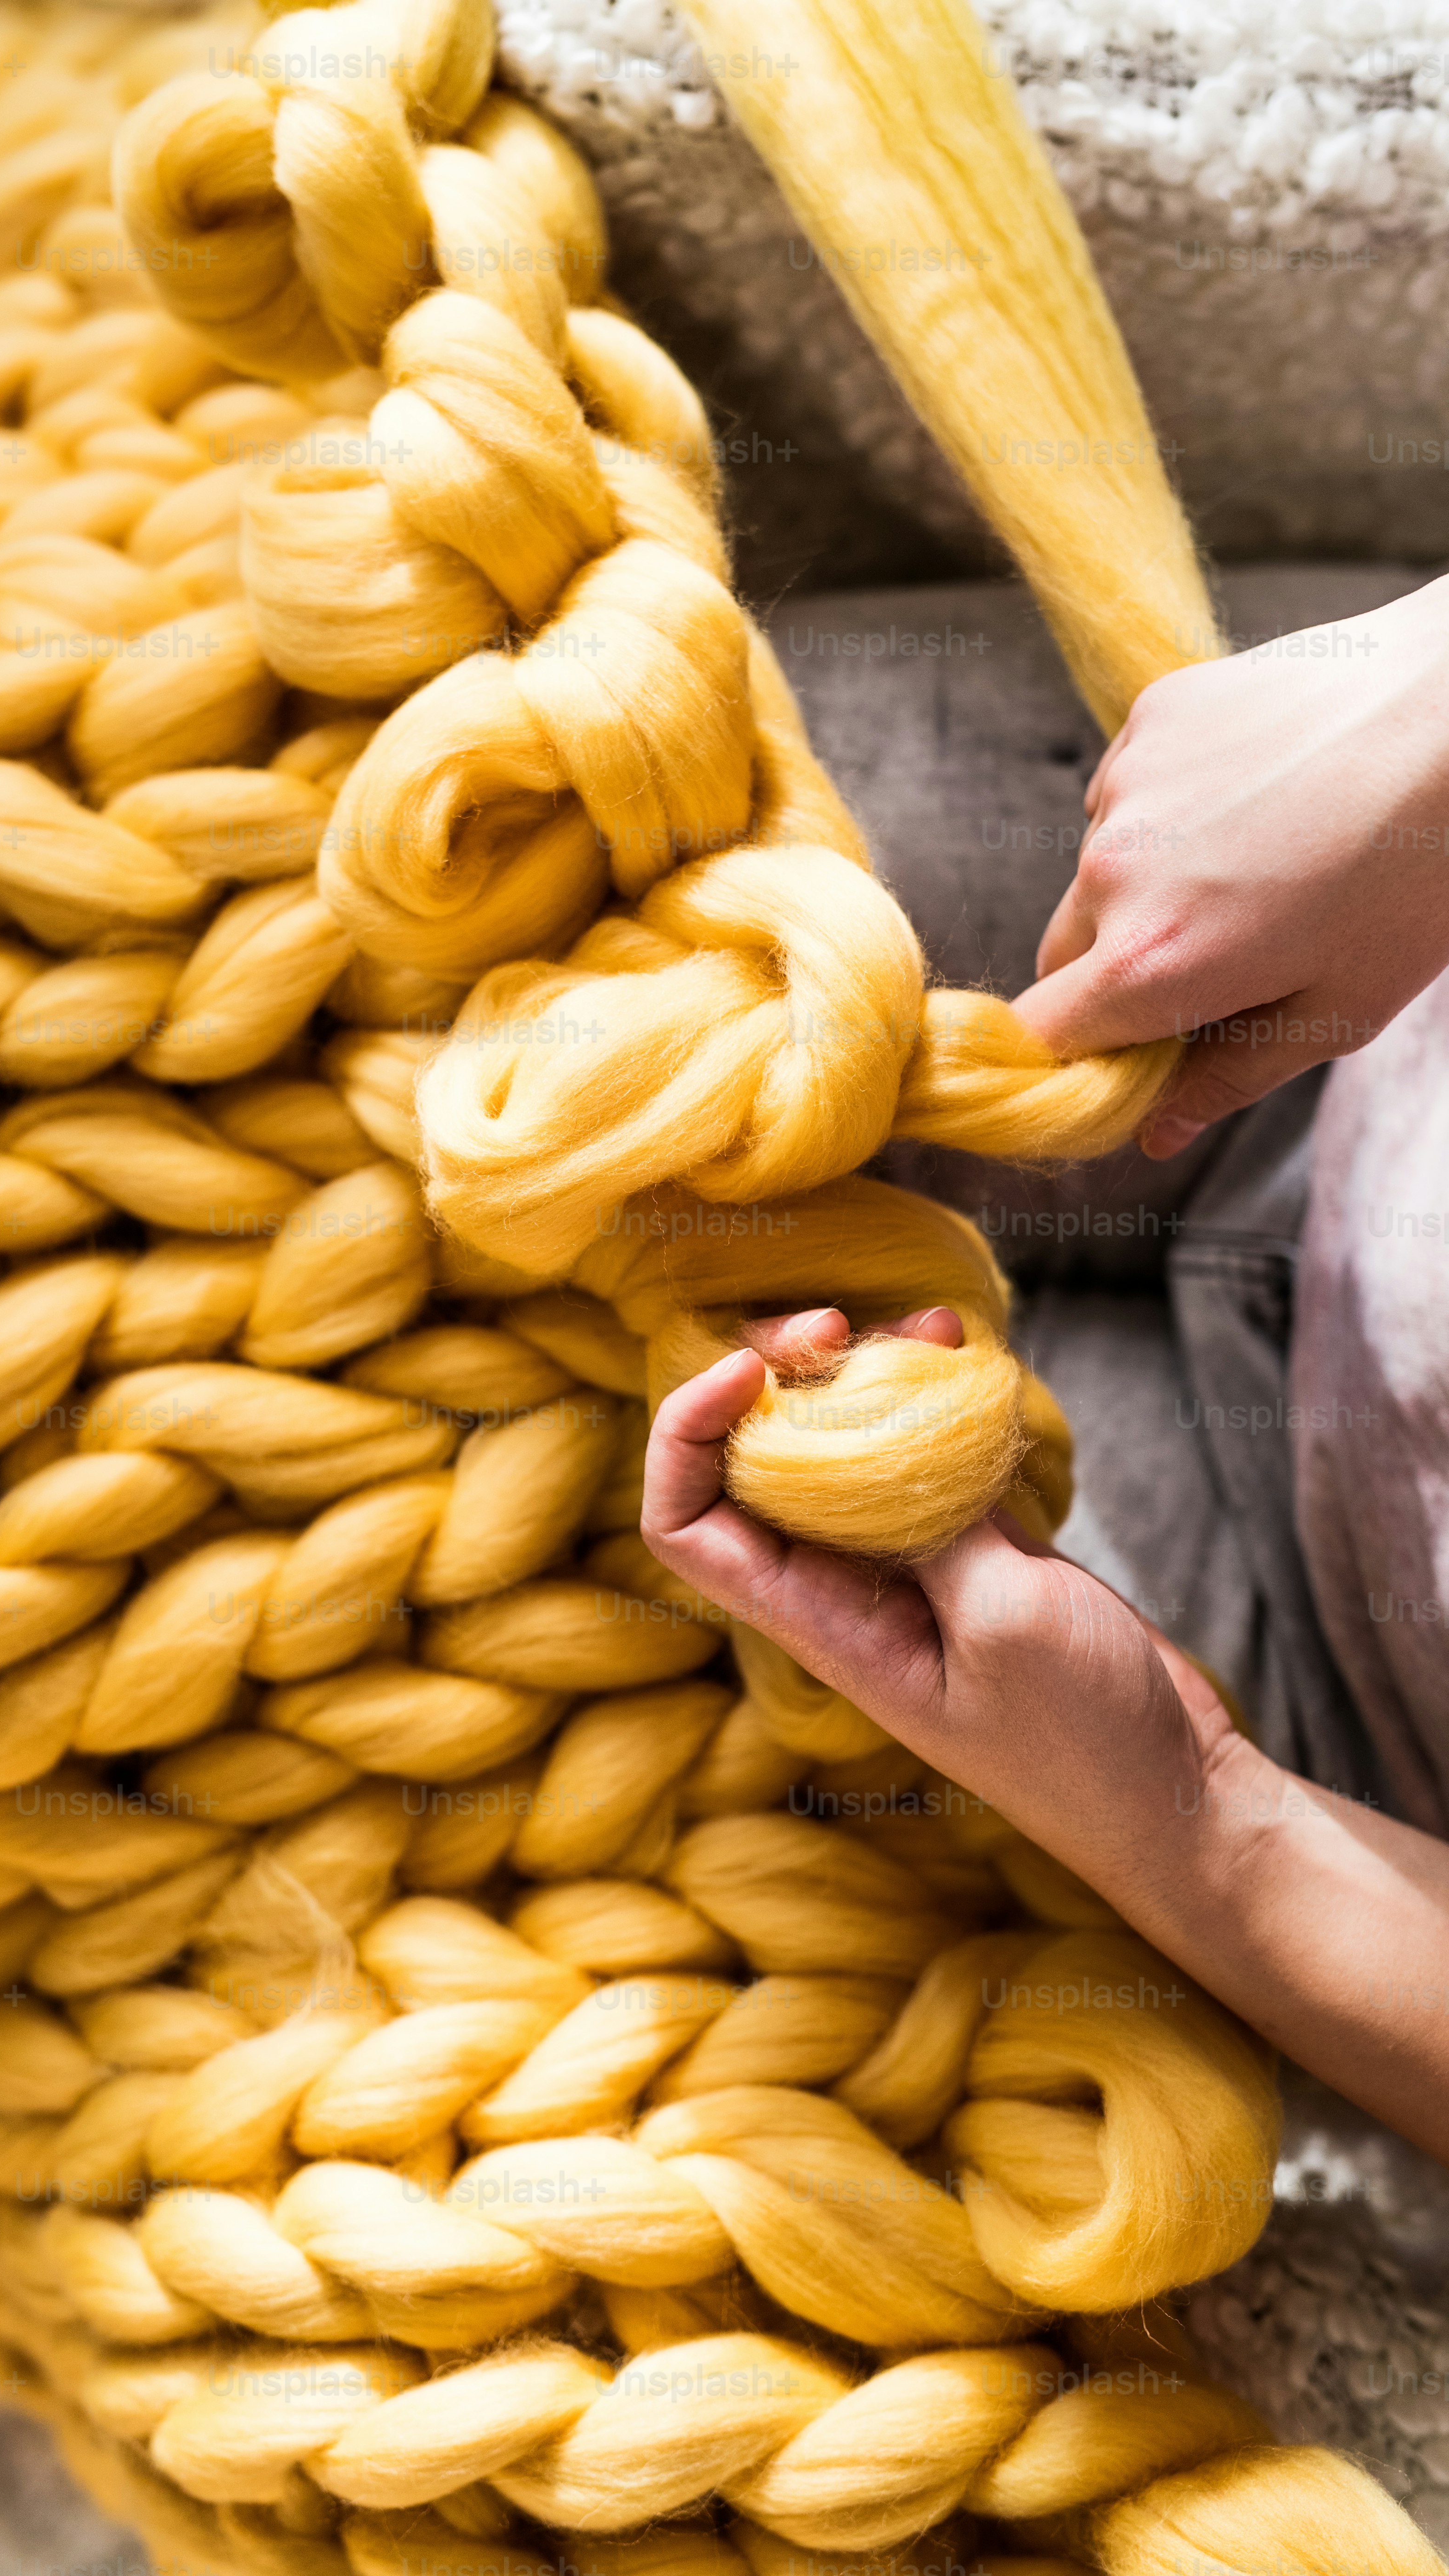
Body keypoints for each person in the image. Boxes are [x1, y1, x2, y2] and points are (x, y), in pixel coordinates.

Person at [640, 589, 1449, 2163]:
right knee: (612, 831)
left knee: (603, 1481)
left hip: (1350, 1752)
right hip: (1389, 960)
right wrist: (1422, 723)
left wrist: (1203, 1813)